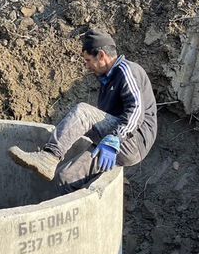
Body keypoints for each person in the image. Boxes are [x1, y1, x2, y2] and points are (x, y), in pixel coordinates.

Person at [9, 30, 157, 191]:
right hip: (116, 143)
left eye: (88, 60)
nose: (86, 66)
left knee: (83, 112)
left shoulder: (127, 71)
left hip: (132, 141)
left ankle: (49, 156)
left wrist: (115, 138)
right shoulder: (107, 81)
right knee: (64, 177)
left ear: (101, 55)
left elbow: (136, 111)